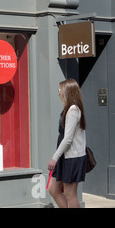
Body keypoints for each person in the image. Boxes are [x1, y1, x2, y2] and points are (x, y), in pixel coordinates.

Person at [47, 78, 87, 208]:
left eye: (60, 90)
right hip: (65, 157)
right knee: (53, 189)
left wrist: (54, 158)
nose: (59, 93)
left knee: (70, 195)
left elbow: (68, 138)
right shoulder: (68, 109)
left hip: (72, 157)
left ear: (68, 91)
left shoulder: (73, 110)